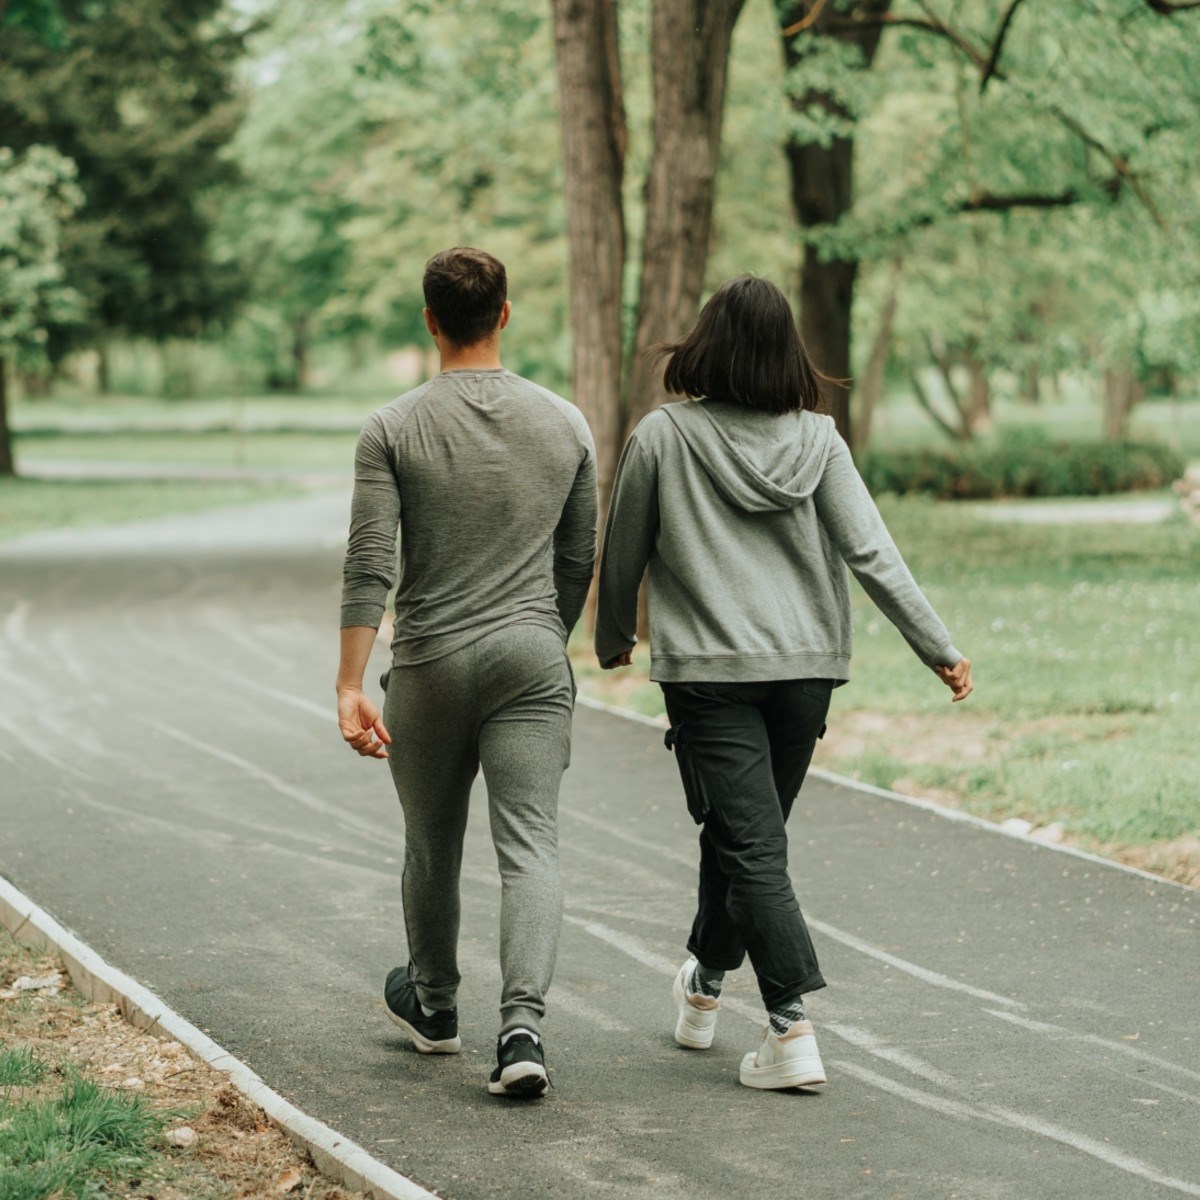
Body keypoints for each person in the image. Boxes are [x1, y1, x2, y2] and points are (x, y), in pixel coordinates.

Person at [594, 275, 971, 1091]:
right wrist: (935, 645)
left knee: (749, 842)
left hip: (711, 676)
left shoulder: (663, 437)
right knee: (744, 838)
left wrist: (615, 635)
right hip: (807, 673)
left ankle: (790, 1026)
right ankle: (701, 988)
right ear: (786, 352)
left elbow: (623, 544)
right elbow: (871, 551)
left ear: (707, 345)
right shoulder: (819, 442)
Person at [336, 247, 597, 1099]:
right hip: (530, 657)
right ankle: (521, 1029)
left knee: (432, 843)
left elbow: (371, 560)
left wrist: (349, 683)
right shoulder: (566, 423)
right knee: (531, 846)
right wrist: (539, 637)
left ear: (430, 320)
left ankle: (437, 1008)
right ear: (506, 315)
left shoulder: (392, 427)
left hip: (430, 665)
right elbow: (578, 554)